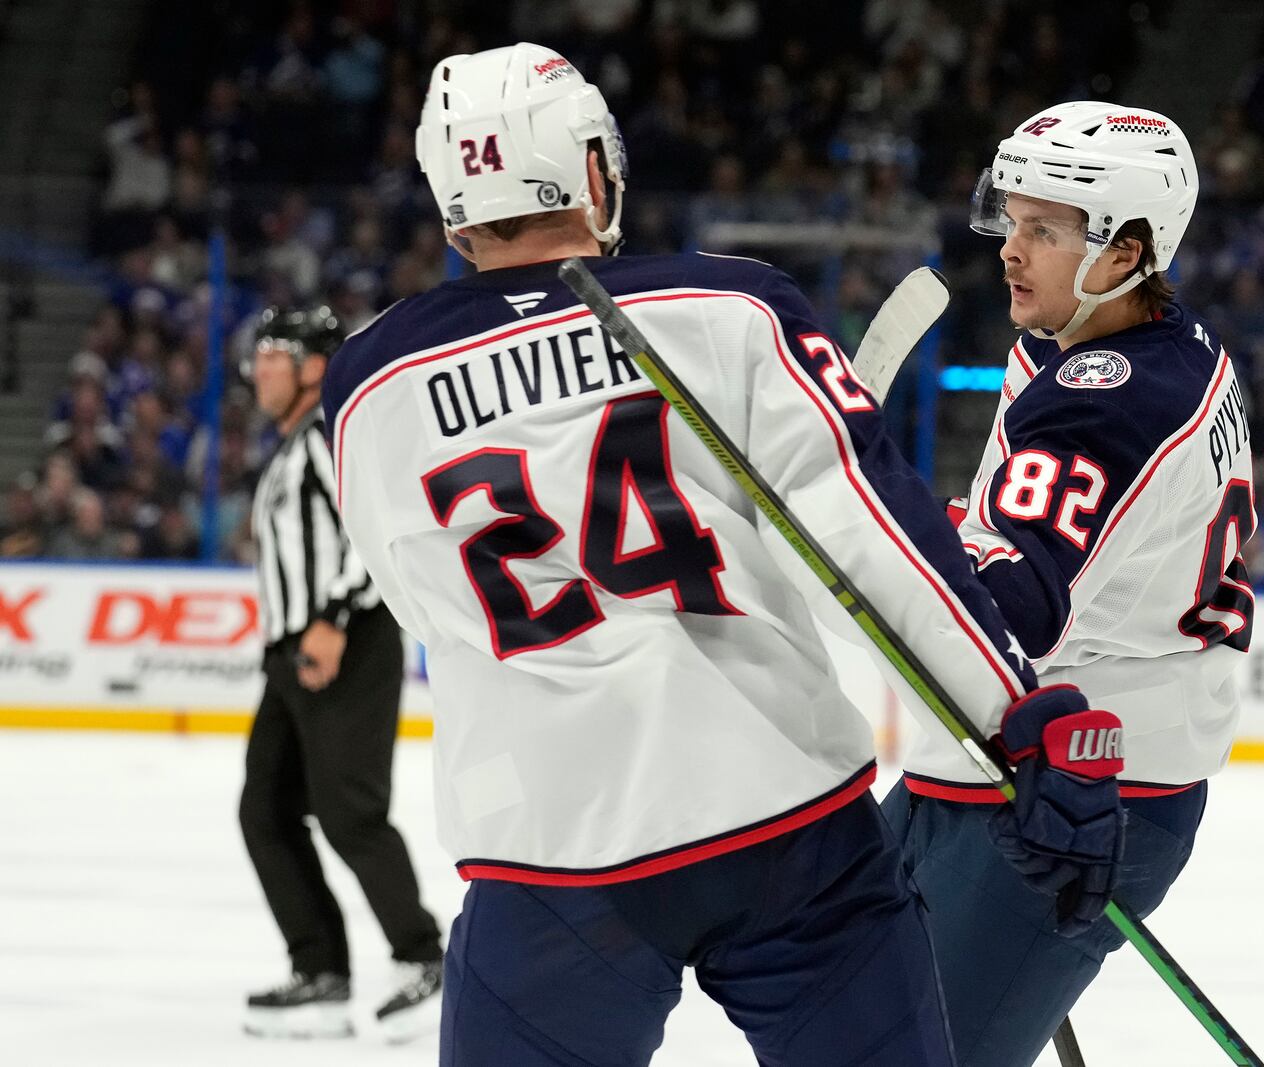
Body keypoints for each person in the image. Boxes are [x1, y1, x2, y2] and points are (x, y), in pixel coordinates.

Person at [323, 44, 1122, 1067]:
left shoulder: (369, 384)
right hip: (781, 822)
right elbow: (874, 545)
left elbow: (423, 600)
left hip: (551, 853)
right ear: (592, 170)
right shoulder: (729, 308)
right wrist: (1015, 719)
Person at [882, 101, 1255, 1067]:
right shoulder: (1107, 345)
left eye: (1046, 230)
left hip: (1078, 788)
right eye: (1012, 220)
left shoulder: (1111, 398)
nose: (1013, 249)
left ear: (1128, 251)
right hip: (995, 758)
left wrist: (865, 503)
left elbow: (1007, 611)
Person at [239, 305, 445, 1041]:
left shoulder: (326, 435)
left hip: (343, 641)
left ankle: (425, 958)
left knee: (350, 811)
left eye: (275, 354)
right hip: (296, 654)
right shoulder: (294, 445)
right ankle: (320, 970)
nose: (259, 369)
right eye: (259, 356)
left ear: (314, 366)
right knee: (264, 808)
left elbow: (376, 523)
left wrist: (330, 617)